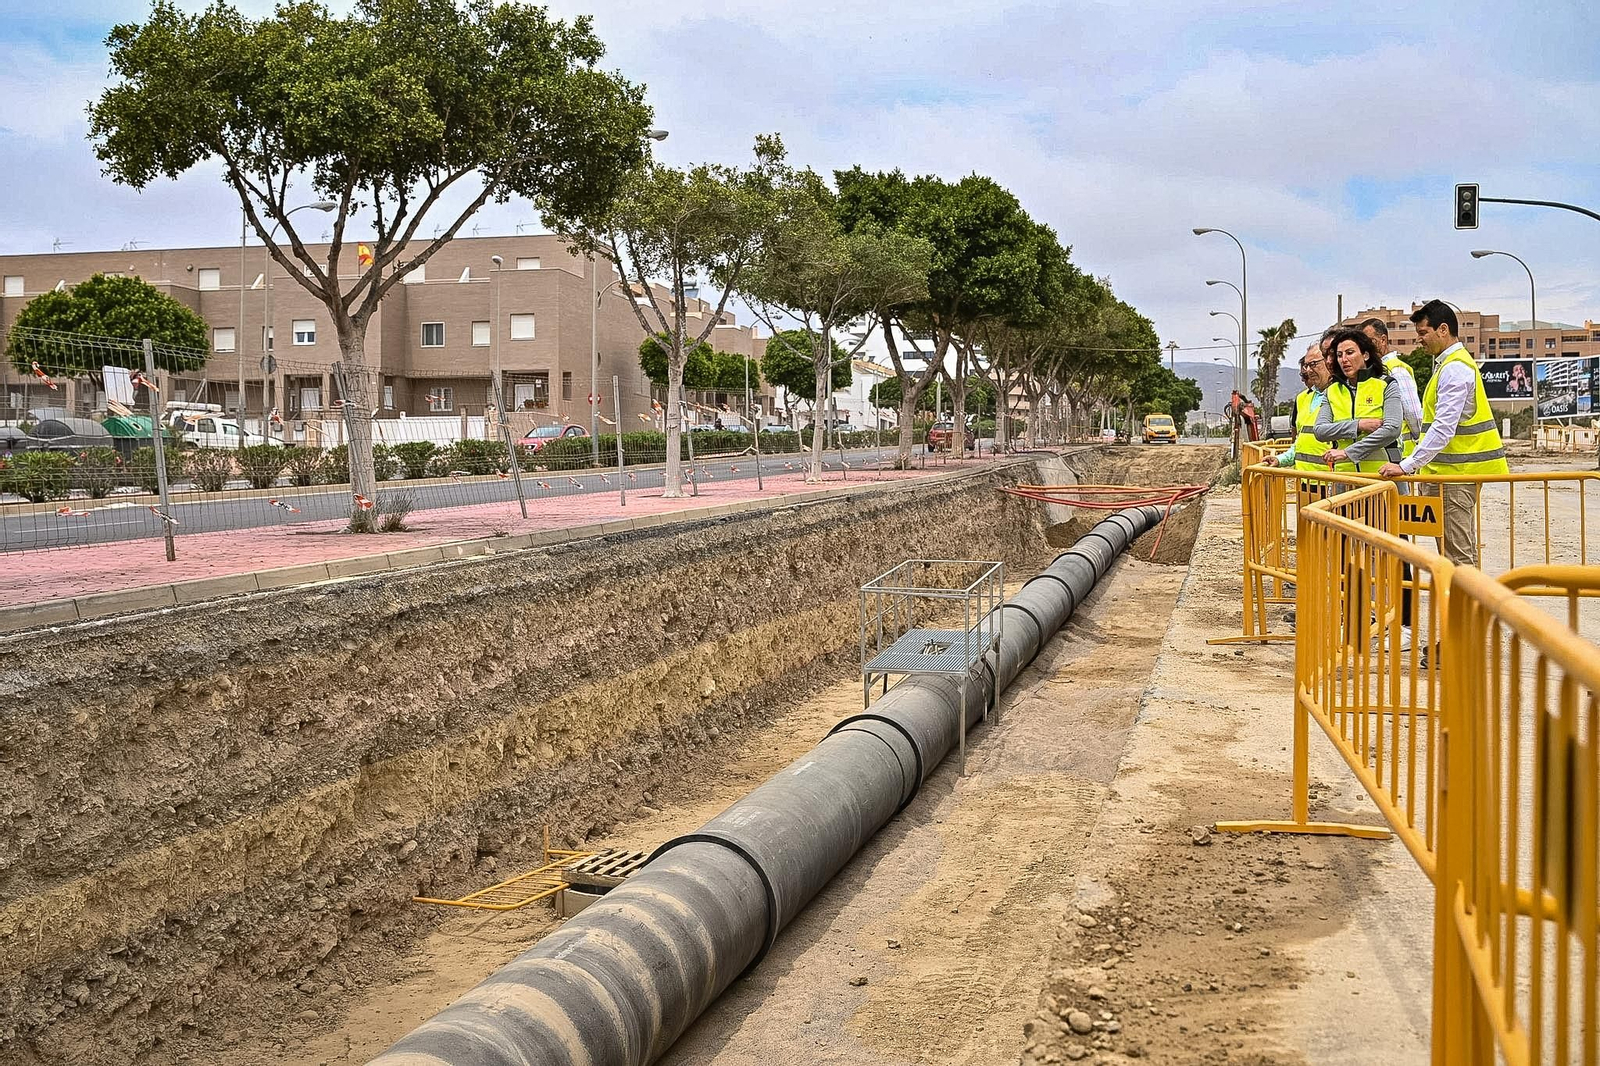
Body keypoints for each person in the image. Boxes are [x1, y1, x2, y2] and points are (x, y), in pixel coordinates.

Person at [1378, 300, 1509, 568]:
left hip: (1455, 478)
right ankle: (1463, 607)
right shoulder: (1448, 365)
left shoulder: (1454, 369)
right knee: (1453, 553)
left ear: (1443, 329)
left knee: (1457, 556)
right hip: (1447, 476)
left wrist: (1406, 465)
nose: (1420, 341)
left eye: (1423, 333)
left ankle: (1468, 609)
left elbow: (1443, 428)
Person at [1315, 328, 1404, 473]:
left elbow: (1392, 429)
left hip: (1382, 476)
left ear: (1365, 355)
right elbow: (1320, 431)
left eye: (1350, 353)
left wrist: (1347, 452)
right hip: (1344, 477)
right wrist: (1358, 425)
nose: (1344, 360)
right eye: (1339, 355)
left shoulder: (1386, 384)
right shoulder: (1331, 391)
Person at [1361, 317, 1425, 449]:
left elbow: (1413, 414)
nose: (1365, 348)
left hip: (1402, 452)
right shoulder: (1374, 372)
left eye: (1369, 342)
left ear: (1383, 340)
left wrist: (1420, 442)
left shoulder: (1396, 371)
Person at [1275, 341, 1333, 469]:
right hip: (1303, 481)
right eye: (1306, 366)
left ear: (1329, 361)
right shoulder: (1302, 399)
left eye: (1313, 364)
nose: (1308, 370)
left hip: (1331, 482)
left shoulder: (1343, 396)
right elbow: (1299, 443)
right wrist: (1279, 460)